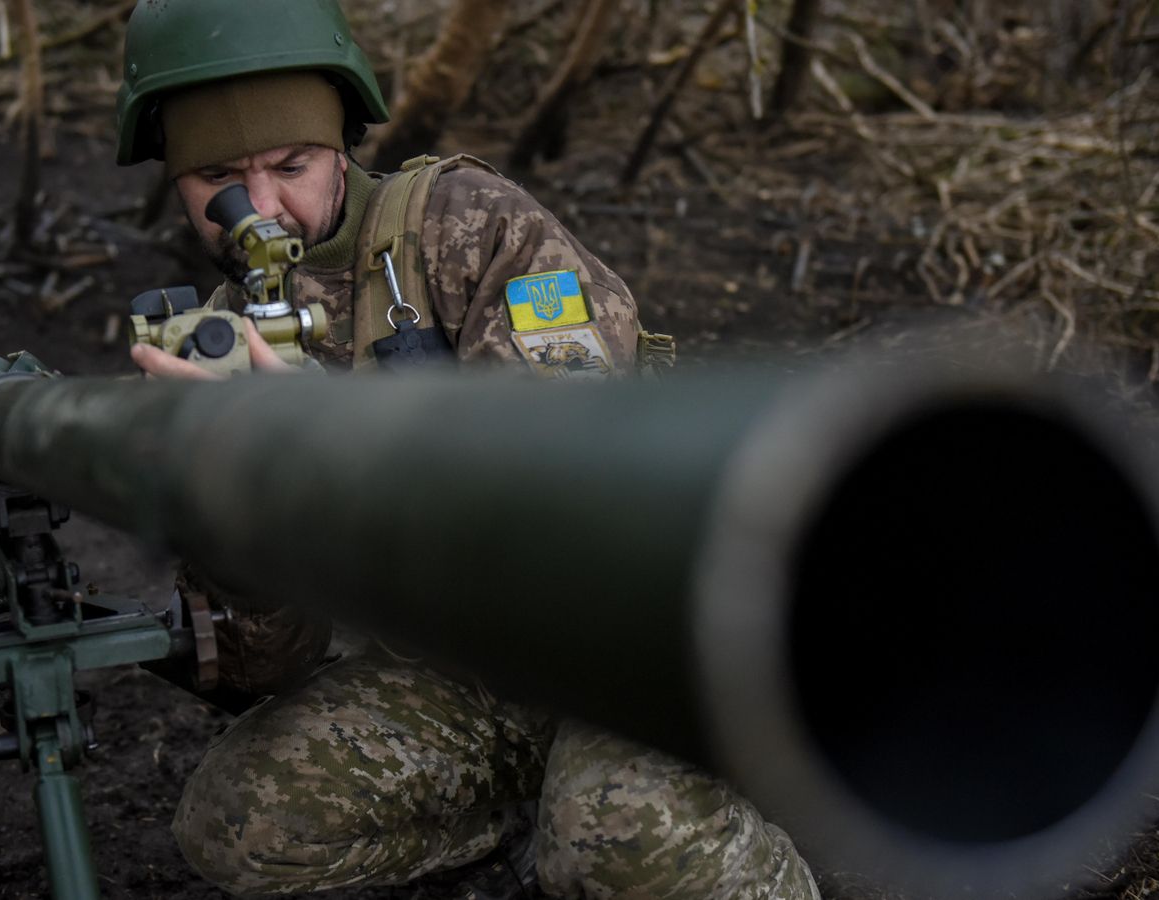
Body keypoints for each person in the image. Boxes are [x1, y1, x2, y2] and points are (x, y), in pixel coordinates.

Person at [116, 1, 822, 897]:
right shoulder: (205, 346)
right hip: (474, 669)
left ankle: (757, 838)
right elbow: (266, 665)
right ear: (171, 180)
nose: (260, 211)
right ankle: (524, 808)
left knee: (622, 838)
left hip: (636, 636)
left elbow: (574, 496)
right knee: (243, 825)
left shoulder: (462, 224)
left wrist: (327, 439)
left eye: (291, 166)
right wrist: (214, 496)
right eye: (216, 178)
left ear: (341, 146)